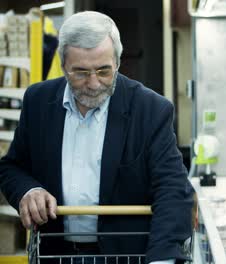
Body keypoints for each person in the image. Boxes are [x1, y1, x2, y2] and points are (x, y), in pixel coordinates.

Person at [0, 11, 194, 264]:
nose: (93, 84)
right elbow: (11, 167)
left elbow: (172, 190)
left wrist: (161, 259)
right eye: (80, 73)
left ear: (118, 62)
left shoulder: (151, 110)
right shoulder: (38, 100)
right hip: (54, 253)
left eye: (104, 71)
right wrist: (29, 190)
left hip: (127, 256)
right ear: (63, 66)